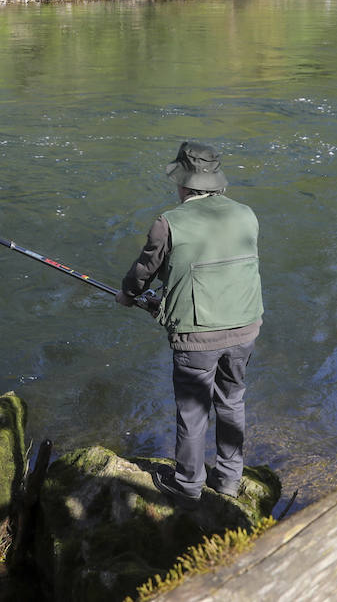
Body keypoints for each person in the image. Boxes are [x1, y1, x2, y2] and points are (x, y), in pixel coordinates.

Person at [118, 141, 264, 505]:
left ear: (183, 183)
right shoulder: (247, 213)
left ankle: (188, 485)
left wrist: (128, 294)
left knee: (193, 412)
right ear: (216, 182)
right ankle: (230, 479)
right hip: (246, 328)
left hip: (197, 339)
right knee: (232, 402)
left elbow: (144, 271)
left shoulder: (168, 223)